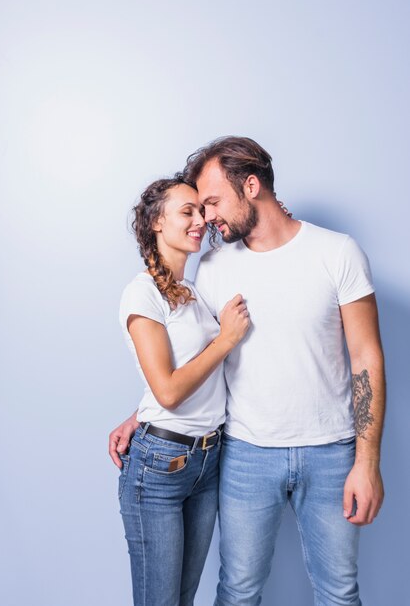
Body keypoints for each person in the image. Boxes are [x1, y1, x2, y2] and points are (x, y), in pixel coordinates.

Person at [110, 137, 385, 606]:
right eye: (195, 209)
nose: (207, 219)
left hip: (331, 452)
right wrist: (146, 414)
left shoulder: (337, 252)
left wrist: (367, 462)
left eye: (212, 202)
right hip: (243, 456)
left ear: (251, 185)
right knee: (237, 593)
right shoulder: (213, 268)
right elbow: (195, 353)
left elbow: (366, 358)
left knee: (340, 592)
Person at [116, 175, 249, 606]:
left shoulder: (191, 291)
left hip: (208, 460)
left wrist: (137, 413)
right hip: (160, 469)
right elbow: (170, 391)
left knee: (184, 599)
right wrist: (225, 339)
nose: (200, 220)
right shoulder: (142, 294)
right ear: (156, 222)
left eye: (201, 211)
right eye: (187, 212)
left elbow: (179, 382)